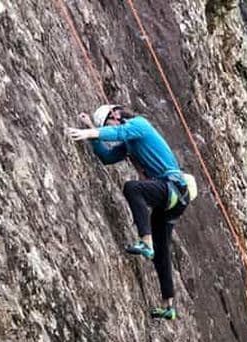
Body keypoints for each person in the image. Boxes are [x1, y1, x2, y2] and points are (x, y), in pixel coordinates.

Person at [66, 104, 196, 320]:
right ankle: (169, 305)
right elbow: (107, 157)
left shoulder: (139, 124)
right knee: (162, 250)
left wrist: (88, 131)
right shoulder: (128, 145)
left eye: (108, 122)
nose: (109, 127)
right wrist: (91, 131)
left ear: (116, 115)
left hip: (172, 186)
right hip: (174, 197)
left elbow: (119, 132)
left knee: (132, 188)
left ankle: (145, 242)